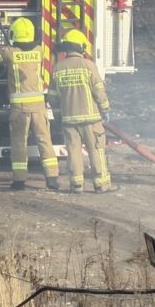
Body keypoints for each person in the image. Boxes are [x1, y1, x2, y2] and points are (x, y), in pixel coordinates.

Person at [0, 17, 60, 191]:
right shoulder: (39, 51)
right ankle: (52, 178)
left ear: (14, 33)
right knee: (45, 141)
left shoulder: (10, 52)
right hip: (39, 106)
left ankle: (19, 180)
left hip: (19, 108)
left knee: (19, 143)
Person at [49, 29, 116, 193]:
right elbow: (99, 92)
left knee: (73, 152)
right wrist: (105, 109)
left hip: (69, 120)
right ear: (81, 47)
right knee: (96, 151)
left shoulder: (58, 68)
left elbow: (52, 98)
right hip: (91, 120)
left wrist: (58, 116)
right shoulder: (88, 66)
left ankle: (76, 185)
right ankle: (101, 184)